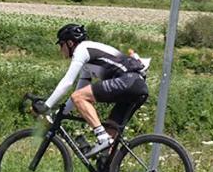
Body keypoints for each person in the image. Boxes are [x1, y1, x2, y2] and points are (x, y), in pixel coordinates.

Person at [33, 23, 150, 159]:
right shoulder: (88, 62)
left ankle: (102, 137)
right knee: (109, 139)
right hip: (135, 86)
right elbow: (79, 92)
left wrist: (46, 105)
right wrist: (60, 113)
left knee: (81, 100)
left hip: (128, 81)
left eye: (61, 45)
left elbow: (68, 83)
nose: (61, 50)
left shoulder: (82, 49)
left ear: (70, 43)